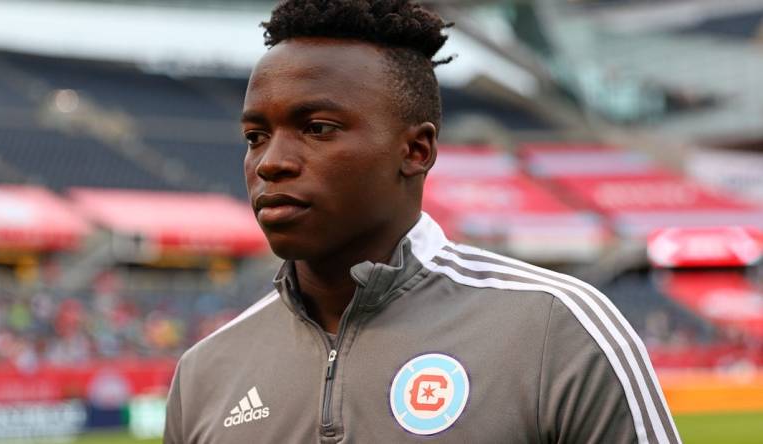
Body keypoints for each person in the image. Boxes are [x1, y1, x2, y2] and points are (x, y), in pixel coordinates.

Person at [164, 1, 680, 442]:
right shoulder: (205, 374)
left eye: (317, 128)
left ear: (416, 150)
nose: (270, 161)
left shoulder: (559, 329)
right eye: (255, 136)